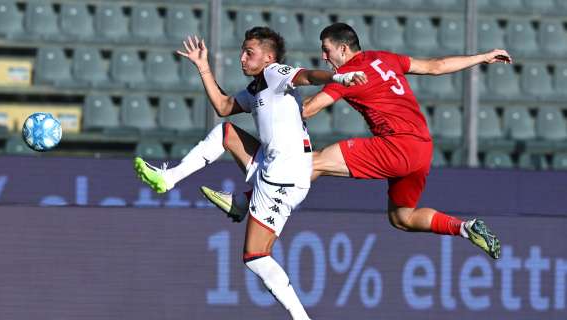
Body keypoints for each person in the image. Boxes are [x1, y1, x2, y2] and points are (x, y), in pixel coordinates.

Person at [202, 23, 511, 260]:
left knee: (315, 162)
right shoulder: (385, 59)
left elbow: (313, 106)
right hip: (422, 148)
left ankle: (244, 200)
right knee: (402, 217)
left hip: (397, 145)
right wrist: (482, 57)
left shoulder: (351, 72)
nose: (324, 56)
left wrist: (273, 107)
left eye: (327, 49)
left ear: (344, 48)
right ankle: (465, 227)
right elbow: (436, 66)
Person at [134, 26, 365, 320]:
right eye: (243, 51)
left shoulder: (274, 73)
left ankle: (301, 317)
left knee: (256, 256)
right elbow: (223, 106)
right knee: (226, 132)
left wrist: (338, 76)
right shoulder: (257, 87)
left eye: (249, 53)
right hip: (274, 167)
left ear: (268, 57)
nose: (242, 58)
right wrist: (204, 67)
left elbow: (305, 75)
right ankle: (213, 192)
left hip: (282, 178)